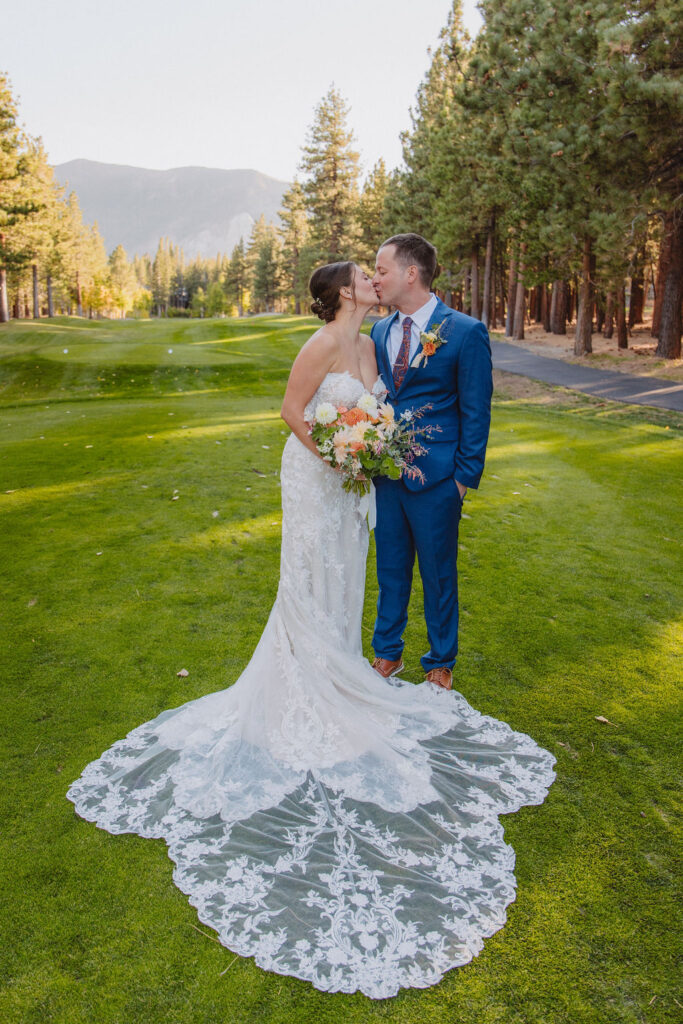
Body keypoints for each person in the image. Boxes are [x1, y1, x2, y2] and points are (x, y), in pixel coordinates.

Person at [67, 260, 555, 1000]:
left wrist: (367, 450)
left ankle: (338, 672)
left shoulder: (374, 342)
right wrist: (338, 452)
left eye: (377, 271)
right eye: (363, 274)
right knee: (307, 578)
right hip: (315, 477)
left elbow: (376, 411)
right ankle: (301, 687)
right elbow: (292, 413)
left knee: (342, 582)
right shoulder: (324, 343)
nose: (374, 278)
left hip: (352, 482)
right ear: (340, 294)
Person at [371, 233, 493, 690]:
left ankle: (440, 661)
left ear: (410, 273)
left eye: (381, 270)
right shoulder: (381, 330)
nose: (375, 278)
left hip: (440, 478)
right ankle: (387, 653)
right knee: (390, 569)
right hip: (387, 474)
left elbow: (476, 411)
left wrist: (462, 479)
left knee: (439, 574)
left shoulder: (464, 331)